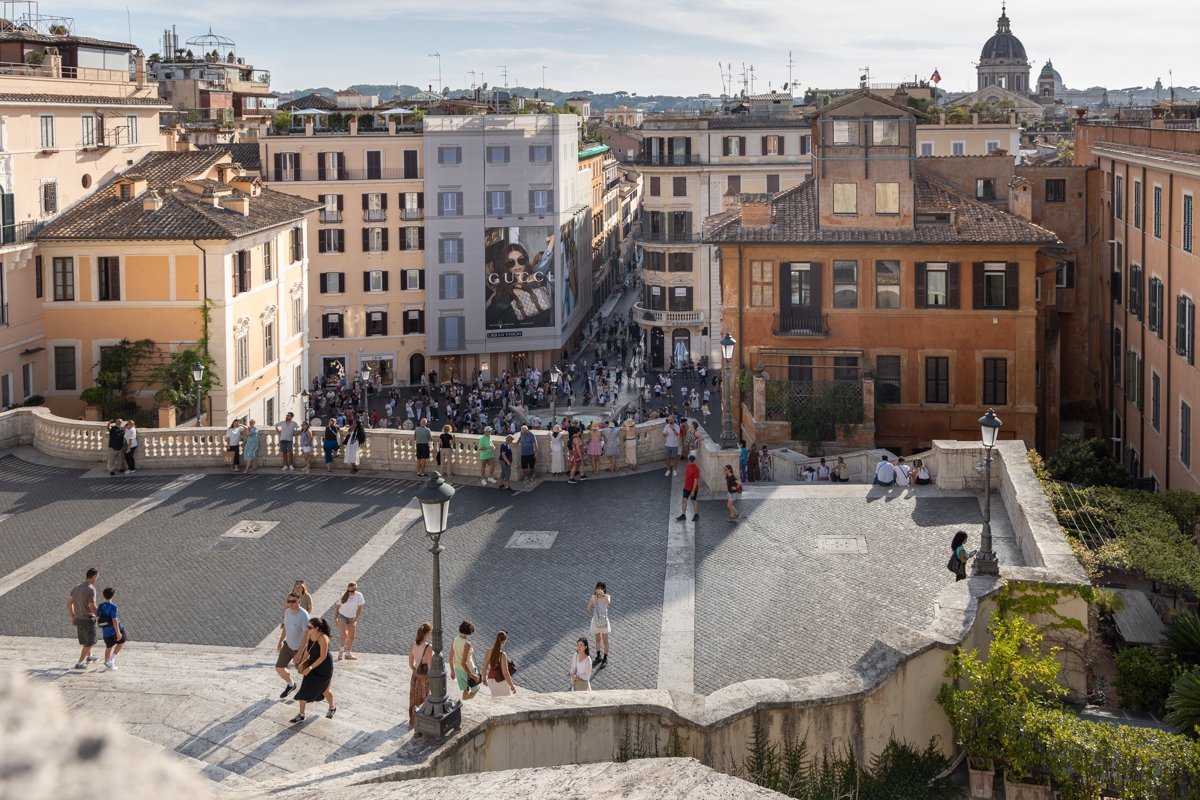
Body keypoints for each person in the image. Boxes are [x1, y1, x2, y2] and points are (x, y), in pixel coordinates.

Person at [290, 617, 335, 723]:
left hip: (324, 668)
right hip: (312, 665)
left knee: (325, 691)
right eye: (307, 626)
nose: (307, 629)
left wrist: (310, 667)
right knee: (304, 689)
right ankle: (301, 715)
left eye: (310, 627)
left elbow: (323, 657)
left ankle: (332, 707)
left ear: (317, 628)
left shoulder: (323, 638)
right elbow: (307, 650)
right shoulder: (310, 634)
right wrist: (302, 661)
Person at [276, 591, 309, 698]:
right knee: (279, 668)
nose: (291, 604)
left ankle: (307, 691)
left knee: (303, 672)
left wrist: (299, 653)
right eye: (289, 601)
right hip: (287, 646)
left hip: (299, 649)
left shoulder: (303, 615)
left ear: (299, 601)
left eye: (293, 601)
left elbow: (306, 636)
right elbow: (285, 627)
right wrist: (280, 640)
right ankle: (291, 684)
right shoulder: (287, 612)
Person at [67, 567, 100, 669]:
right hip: (88, 620)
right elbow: (92, 606)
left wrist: (72, 616)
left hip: (78, 619)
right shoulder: (91, 589)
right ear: (93, 576)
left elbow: (69, 604)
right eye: (97, 577)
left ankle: (89, 657)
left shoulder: (76, 587)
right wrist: (100, 615)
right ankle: (80, 662)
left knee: (86, 640)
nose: (97, 579)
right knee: (89, 642)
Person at [408, 622, 433, 726]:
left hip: (415, 677)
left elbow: (410, 663)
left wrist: (416, 671)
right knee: (425, 698)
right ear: (427, 633)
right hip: (425, 678)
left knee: (414, 698)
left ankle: (413, 719)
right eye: (431, 632)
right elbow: (431, 667)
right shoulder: (428, 647)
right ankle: (424, 721)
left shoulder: (413, 644)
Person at [97, 587, 126, 672]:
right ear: (113, 595)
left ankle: (108, 666)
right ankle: (110, 660)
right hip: (114, 630)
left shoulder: (101, 605)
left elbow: (98, 617)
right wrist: (118, 633)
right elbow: (114, 620)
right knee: (121, 643)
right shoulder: (113, 607)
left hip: (105, 631)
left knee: (108, 647)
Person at [451, 620, 481, 700]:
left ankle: (463, 703)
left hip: (458, 669)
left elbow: (450, 657)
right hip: (468, 669)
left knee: (466, 689)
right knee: (476, 689)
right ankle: (466, 703)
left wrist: (452, 671)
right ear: (469, 632)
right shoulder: (467, 644)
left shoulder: (455, 639)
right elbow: (463, 663)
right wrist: (471, 674)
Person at [334, 582, 364, 660]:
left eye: (352, 591)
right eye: (348, 591)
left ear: (356, 589)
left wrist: (356, 619)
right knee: (344, 634)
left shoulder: (359, 596)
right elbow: (337, 607)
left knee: (351, 637)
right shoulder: (343, 595)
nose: (350, 593)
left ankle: (348, 653)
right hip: (342, 616)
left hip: (352, 617)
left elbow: (360, 608)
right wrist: (335, 618)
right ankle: (341, 651)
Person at [484, 630, 517, 698]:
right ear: (504, 641)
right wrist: (512, 686)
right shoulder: (502, 655)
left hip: (491, 681)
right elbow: (505, 673)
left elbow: (484, 667)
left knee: (494, 701)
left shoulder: (488, 652)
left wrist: (484, 679)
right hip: (500, 681)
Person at [587, 582, 612, 666]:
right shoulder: (594, 597)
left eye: (601, 588)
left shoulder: (607, 596)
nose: (599, 590)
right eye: (598, 588)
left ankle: (605, 658)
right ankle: (598, 656)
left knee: (605, 641)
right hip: (596, 621)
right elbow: (589, 608)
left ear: (604, 589)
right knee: (597, 639)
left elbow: (608, 602)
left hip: (604, 621)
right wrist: (591, 603)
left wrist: (603, 595)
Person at [677, 454, 700, 522]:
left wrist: (693, 491)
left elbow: (696, 481)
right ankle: (683, 515)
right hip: (686, 487)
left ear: (694, 461)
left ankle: (696, 515)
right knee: (684, 500)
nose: (689, 463)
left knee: (693, 501)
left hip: (693, 488)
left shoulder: (696, 469)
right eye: (689, 461)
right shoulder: (687, 465)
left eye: (691, 462)